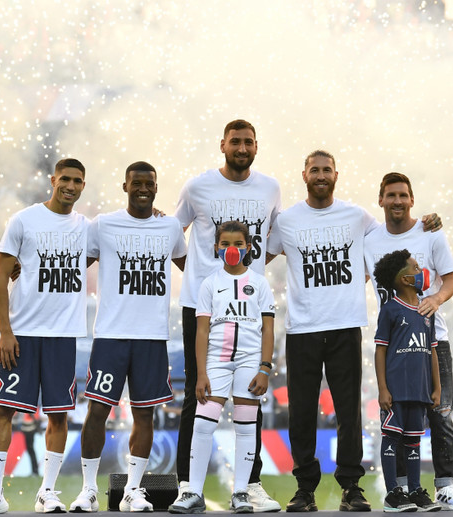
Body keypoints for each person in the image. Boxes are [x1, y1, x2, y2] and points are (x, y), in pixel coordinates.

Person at [266, 151, 441, 512]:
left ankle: (351, 486)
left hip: (346, 325)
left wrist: (425, 222)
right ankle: (304, 488)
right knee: (301, 413)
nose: (320, 175)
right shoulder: (286, 220)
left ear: (336, 175)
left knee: (349, 412)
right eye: (314, 169)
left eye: (326, 169)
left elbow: (394, 239)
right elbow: (258, 256)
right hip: (302, 329)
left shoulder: (357, 217)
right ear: (304, 175)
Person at [174, 119, 281, 512]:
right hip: (202, 307)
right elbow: (174, 232)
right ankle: (189, 486)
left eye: (248, 141)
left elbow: (274, 239)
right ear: (222, 144)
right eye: (235, 141)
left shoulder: (270, 187)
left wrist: (245, 277)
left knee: (250, 396)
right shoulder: (197, 185)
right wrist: (206, 276)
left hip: (250, 311)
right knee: (195, 396)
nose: (241, 147)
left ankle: (249, 486)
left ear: (257, 146)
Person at [0, 158, 89, 514]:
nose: (70, 185)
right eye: (64, 179)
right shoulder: (23, 220)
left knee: (58, 415)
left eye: (77, 181)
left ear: (84, 186)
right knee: (3, 410)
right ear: (52, 180)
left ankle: (47, 492)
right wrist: (5, 331)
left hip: (63, 335)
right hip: (21, 334)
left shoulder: (87, 227)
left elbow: (103, 250)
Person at [69, 161, 187, 513]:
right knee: (97, 412)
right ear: (125, 186)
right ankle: (89, 489)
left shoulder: (170, 227)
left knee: (145, 415)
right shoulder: (103, 224)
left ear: (156, 186)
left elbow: (192, 267)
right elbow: (74, 263)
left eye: (149, 183)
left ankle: (133, 490)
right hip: (110, 336)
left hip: (152, 338)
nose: (143, 189)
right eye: (136, 183)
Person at [363, 172, 453, 510]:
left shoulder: (430, 234)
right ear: (380, 199)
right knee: (397, 418)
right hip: (393, 346)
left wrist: (436, 300)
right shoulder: (369, 240)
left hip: (432, 339)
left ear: (412, 200)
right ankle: (399, 492)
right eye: (391, 195)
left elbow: (451, 281)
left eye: (403, 195)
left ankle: (445, 486)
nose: (397, 201)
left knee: (440, 413)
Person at [169, 221, 275, 514]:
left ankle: (240, 492)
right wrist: (201, 373)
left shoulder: (261, 283)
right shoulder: (209, 283)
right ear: (216, 248)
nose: (232, 250)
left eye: (238, 244)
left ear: (249, 247)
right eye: (225, 244)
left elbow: (268, 329)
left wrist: (264, 368)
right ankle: (193, 493)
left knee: (246, 426)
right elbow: (201, 331)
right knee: (202, 424)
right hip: (216, 361)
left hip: (249, 361)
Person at [372, 249, 441, 513]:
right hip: (396, 391)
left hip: (420, 390)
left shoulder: (427, 311)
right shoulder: (390, 310)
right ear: (403, 279)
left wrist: (436, 387)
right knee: (391, 438)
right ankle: (393, 495)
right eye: (415, 268)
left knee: (414, 441)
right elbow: (380, 349)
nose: (420, 272)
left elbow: (432, 350)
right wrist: (382, 388)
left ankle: (415, 490)